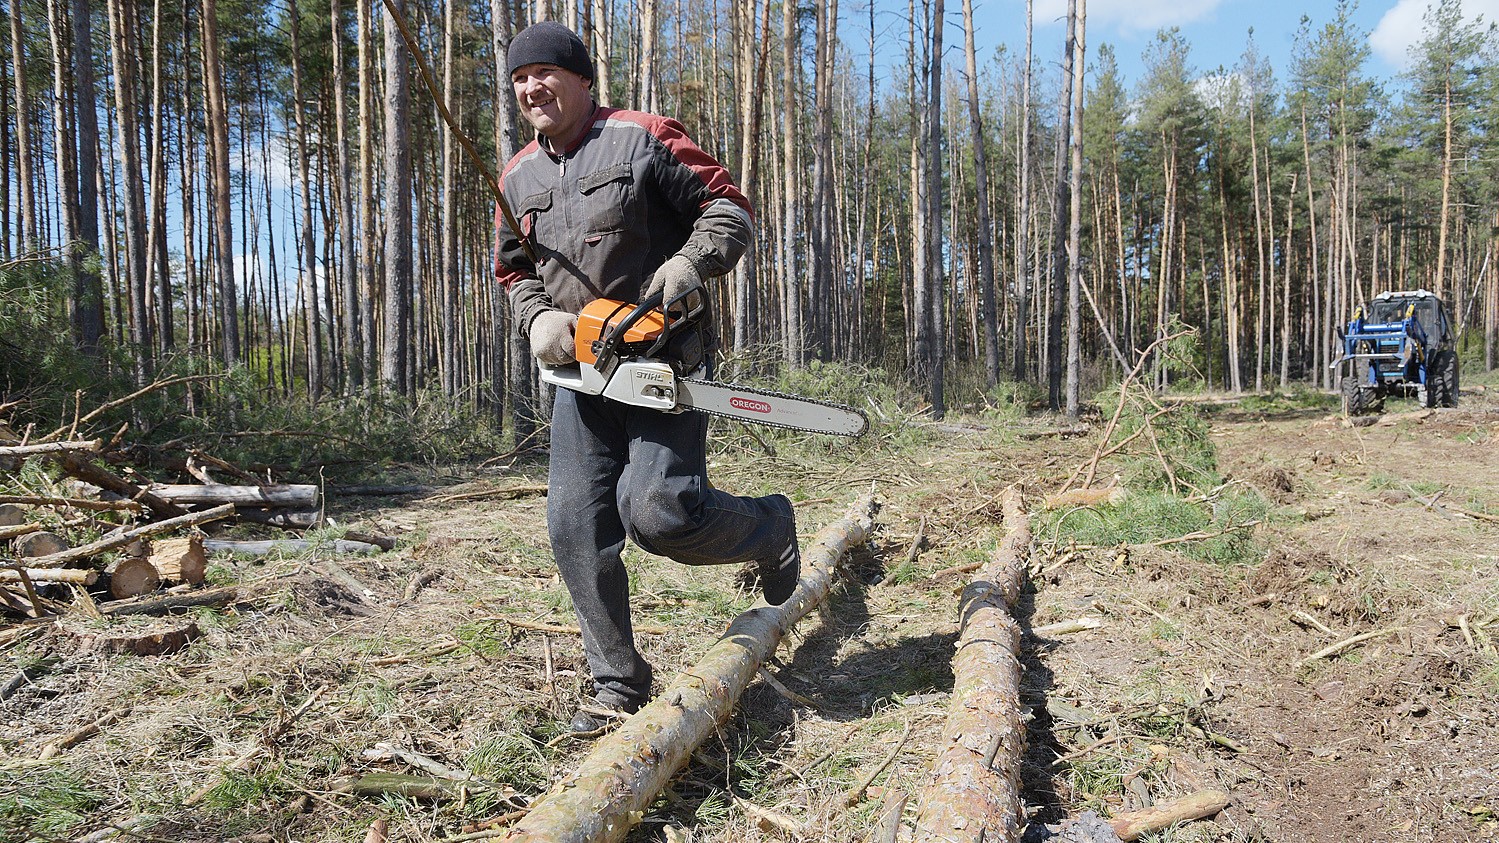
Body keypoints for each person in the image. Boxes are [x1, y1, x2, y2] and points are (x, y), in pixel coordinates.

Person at [492, 21, 800, 732]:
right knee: (573, 526)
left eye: (546, 74)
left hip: (664, 360)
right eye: (520, 79)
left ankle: (768, 525)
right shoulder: (517, 177)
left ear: (582, 81)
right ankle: (617, 681)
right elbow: (513, 269)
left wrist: (691, 262)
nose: (532, 88)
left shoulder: (642, 135)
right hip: (581, 374)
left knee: (659, 511)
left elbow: (728, 208)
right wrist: (537, 318)